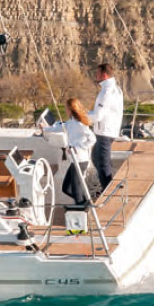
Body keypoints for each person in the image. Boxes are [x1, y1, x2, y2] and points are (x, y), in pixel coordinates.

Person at [42, 97, 97, 204]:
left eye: (66, 108)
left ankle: (82, 207)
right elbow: (59, 127)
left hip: (80, 161)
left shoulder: (80, 124)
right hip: (74, 161)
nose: (65, 110)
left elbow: (92, 139)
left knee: (76, 190)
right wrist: (44, 129)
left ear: (71, 109)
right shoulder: (71, 122)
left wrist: (77, 147)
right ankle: (86, 203)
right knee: (66, 189)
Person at [88, 62, 123, 191]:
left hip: (105, 132)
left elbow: (98, 116)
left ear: (104, 75)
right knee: (95, 157)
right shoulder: (115, 88)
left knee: (103, 163)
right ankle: (111, 185)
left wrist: (82, 116)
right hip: (107, 130)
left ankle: (108, 191)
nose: (95, 76)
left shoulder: (106, 92)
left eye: (97, 73)